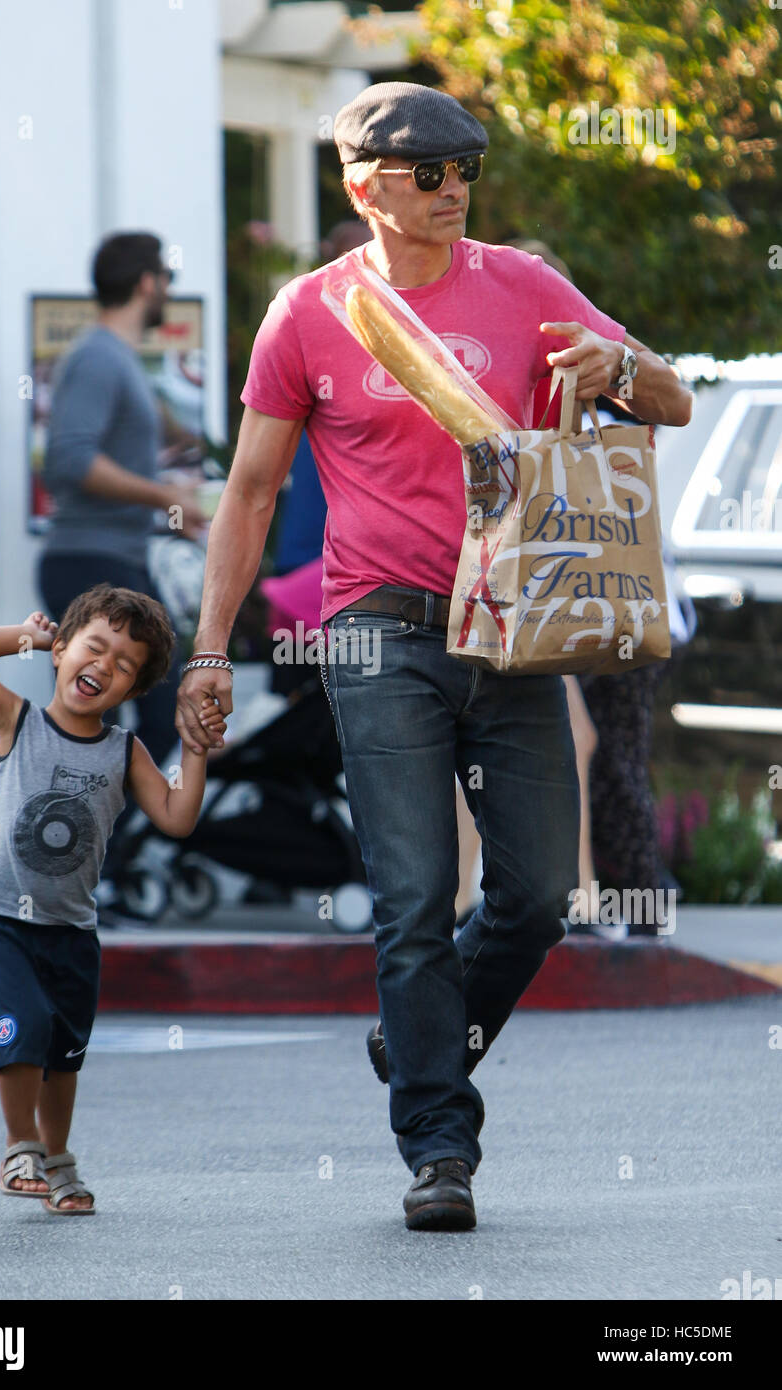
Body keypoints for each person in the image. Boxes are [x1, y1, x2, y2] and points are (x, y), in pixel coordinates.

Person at [176, 81, 692, 1231]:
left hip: (511, 626)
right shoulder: (309, 314)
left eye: (464, 169)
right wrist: (211, 652)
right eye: (427, 171)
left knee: (539, 894)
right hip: (375, 628)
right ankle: (439, 1146)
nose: (453, 188)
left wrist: (617, 372)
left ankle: (420, 1031)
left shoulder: (523, 282)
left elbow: (673, 400)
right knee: (412, 898)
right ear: (365, 186)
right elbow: (250, 494)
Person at [0, 585, 221, 1213]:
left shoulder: (125, 752)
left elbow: (177, 817)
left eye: (124, 666)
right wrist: (27, 637)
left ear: (131, 691)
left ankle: (57, 1159)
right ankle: (20, 1145)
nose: (103, 667)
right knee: (27, 1029)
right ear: (63, 651)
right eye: (94, 648)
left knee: (65, 1052)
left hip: (71, 930)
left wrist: (197, 754)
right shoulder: (19, 720)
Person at [38, 232, 208, 892]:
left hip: (113, 561)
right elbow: (69, 461)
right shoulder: (98, 358)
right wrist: (163, 495)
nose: (166, 286)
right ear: (145, 282)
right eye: (163, 275)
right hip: (89, 563)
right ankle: (88, 863)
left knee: (127, 715)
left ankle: (99, 860)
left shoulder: (117, 360)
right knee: (139, 709)